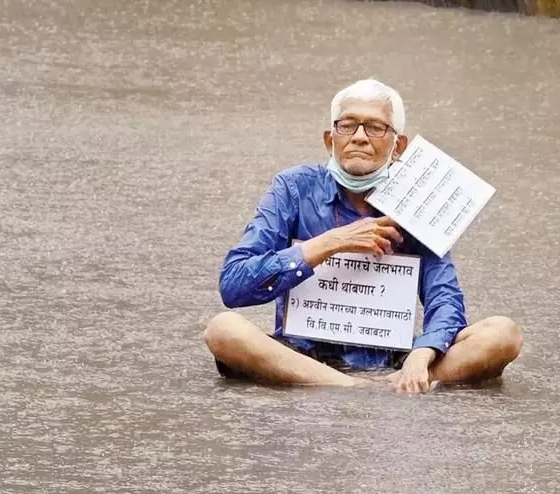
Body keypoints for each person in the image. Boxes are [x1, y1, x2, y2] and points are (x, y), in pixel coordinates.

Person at [204, 79, 522, 394]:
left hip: (390, 358)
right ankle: (353, 386)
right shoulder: (293, 187)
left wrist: (422, 354)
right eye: (348, 126)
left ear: (399, 146)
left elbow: (445, 298)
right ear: (330, 140)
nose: (359, 137)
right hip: (300, 354)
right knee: (223, 330)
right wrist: (331, 242)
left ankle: (390, 380)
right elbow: (233, 285)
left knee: (503, 335)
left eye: (375, 128)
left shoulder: (416, 199)